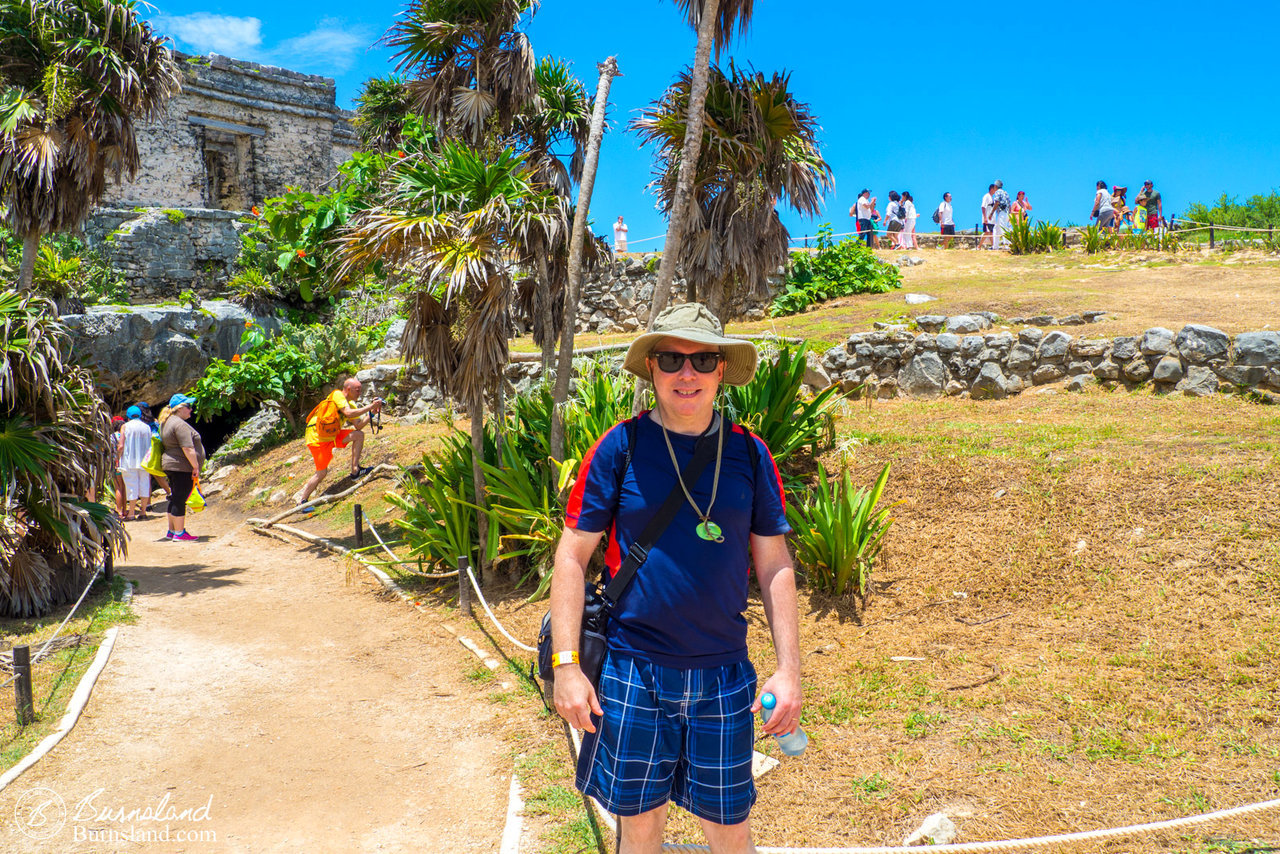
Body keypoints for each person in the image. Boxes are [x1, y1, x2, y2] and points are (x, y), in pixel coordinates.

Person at [551, 302, 799, 854]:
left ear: (719, 370)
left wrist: (789, 671)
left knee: (731, 831)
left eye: (702, 359)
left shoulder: (751, 455)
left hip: (723, 674)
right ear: (652, 370)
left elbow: (775, 565)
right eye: (671, 359)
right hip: (634, 668)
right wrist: (567, 667)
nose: (686, 374)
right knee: (639, 829)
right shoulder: (620, 447)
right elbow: (571, 557)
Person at [293, 378, 384, 507]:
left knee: (358, 435)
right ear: (348, 389)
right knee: (321, 473)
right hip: (317, 437)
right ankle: (302, 502)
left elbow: (358, 425)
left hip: (332, 435)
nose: (359, 394)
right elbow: (347, 412)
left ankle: (355, 471)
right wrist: (370, 406)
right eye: (357, 391)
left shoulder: (351, 405)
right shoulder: (337, 395)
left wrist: (372, 413)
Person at [161, 393, 205, 542]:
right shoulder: (179, 424)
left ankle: (172, 530)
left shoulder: (167, 422)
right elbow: (187, 448)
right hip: (181, 466)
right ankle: (179, 533)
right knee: (180, 498)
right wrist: (195, 466)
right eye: (188, 406)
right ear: (179, 408)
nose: (191, 410)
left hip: (171, 465)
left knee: (174, 497)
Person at [118, 406, 154, 520]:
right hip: (145, 461)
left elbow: (121, 445)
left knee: (131, 486)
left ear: (128, 416)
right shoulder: (147, 427)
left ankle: (132, 513)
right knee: (144, 484)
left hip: (129, 461)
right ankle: (143, 512)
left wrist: (117, 458)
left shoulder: (125, 426)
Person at [990, 180, 1011, 250]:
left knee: (1003, 228)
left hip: (1002, 213)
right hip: (1007, 213)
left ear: (995, 186)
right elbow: (1009, 204)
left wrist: (991, 213)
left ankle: (1007, 245)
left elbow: (997, 203)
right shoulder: (1006, 193)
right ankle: (995, 246)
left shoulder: (998, 192)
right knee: (996, 229)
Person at [979, 184, 995, 248]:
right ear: (991, 189)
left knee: (991, 232)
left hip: (992, 219)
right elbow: (983, 207)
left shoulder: (992, 198)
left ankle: (993, 246)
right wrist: (985, 218)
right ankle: (979, 246)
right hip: (987, 218)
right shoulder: (986, 196)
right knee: (987, 232)